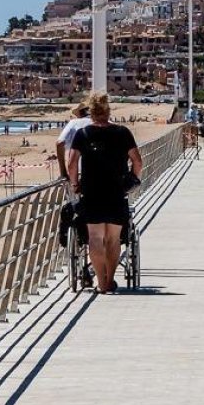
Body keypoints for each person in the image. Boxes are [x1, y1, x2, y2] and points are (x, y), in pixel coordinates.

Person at [67, 91, 143, 294]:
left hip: (91, 192)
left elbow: (72, 163)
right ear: (108, 111)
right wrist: (132, 180)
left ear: (90, 113)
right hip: (116, 192)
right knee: (113, 238)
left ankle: (102, 282)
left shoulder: (82, 134)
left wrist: (75, 184)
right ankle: (110, 278)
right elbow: (137, 161)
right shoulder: (122, 132)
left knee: (95, 238)